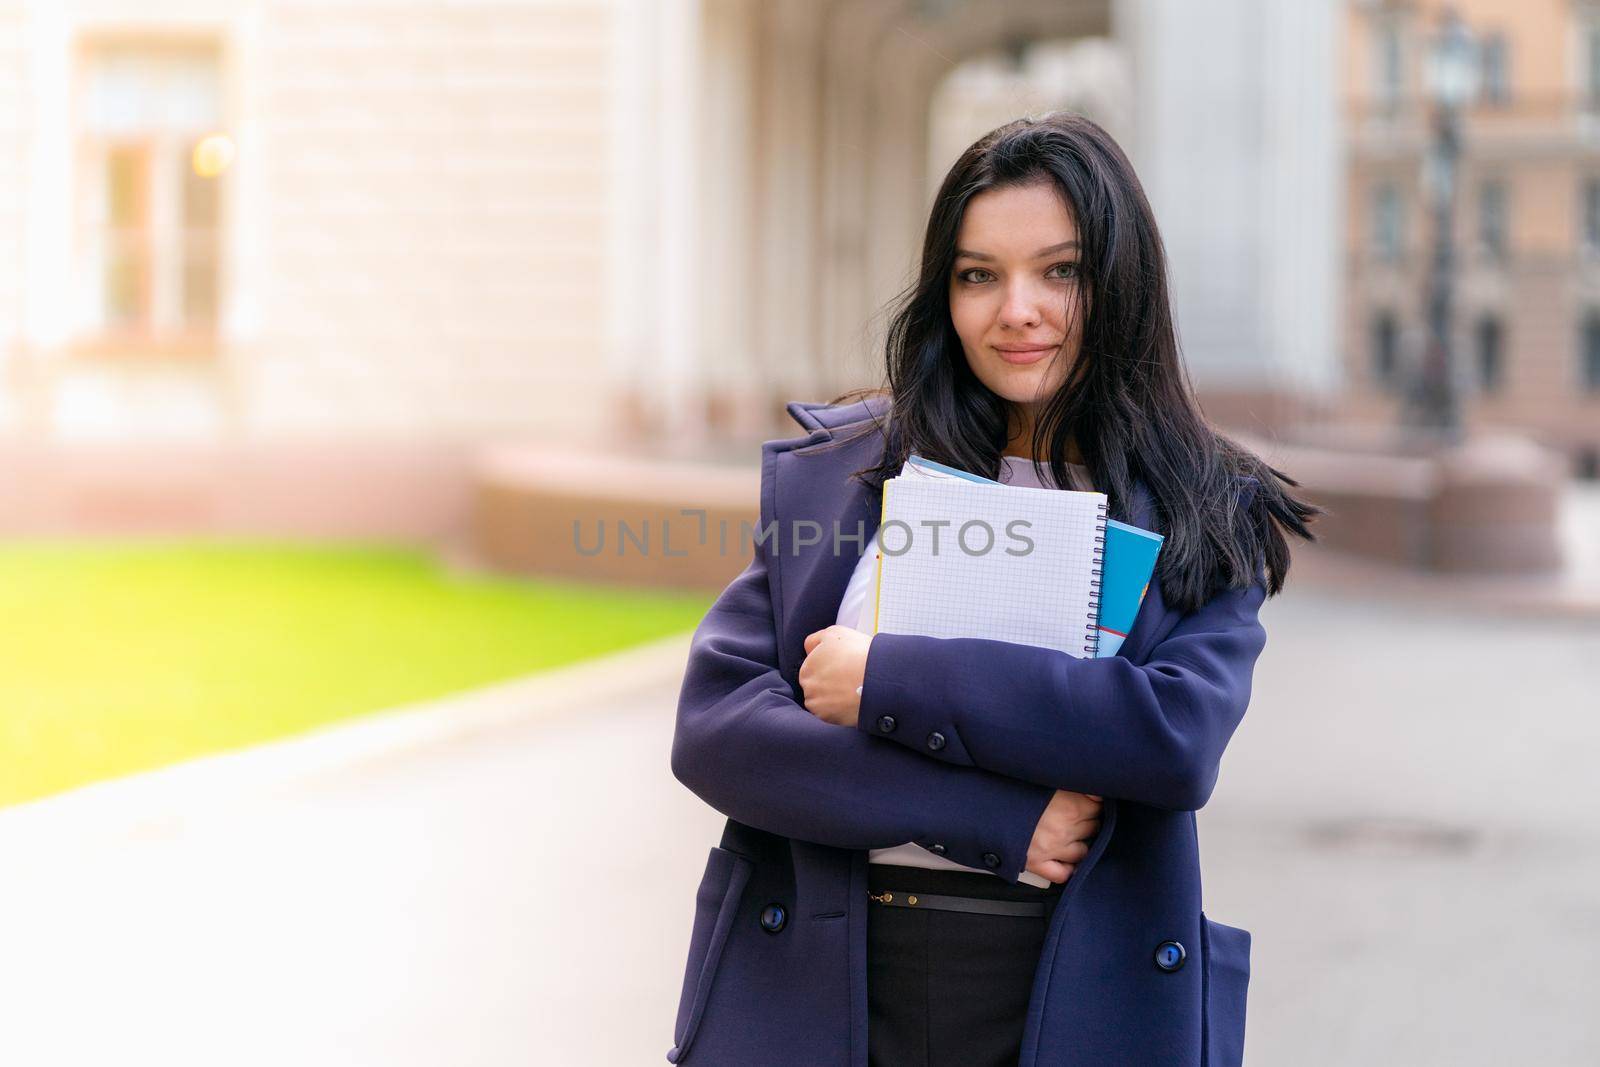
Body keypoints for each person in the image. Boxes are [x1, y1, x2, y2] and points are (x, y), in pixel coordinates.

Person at [666, 112, 1321, 1067]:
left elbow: (1172, 737)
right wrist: (993, 819)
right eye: (980, 275)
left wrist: (888, 679)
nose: (1017, 309)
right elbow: (719, 729)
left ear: (1122, 283)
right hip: (827, 988)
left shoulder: (1205, 507)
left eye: (1060, 271)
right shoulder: (845, 480)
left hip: (1073, 997)